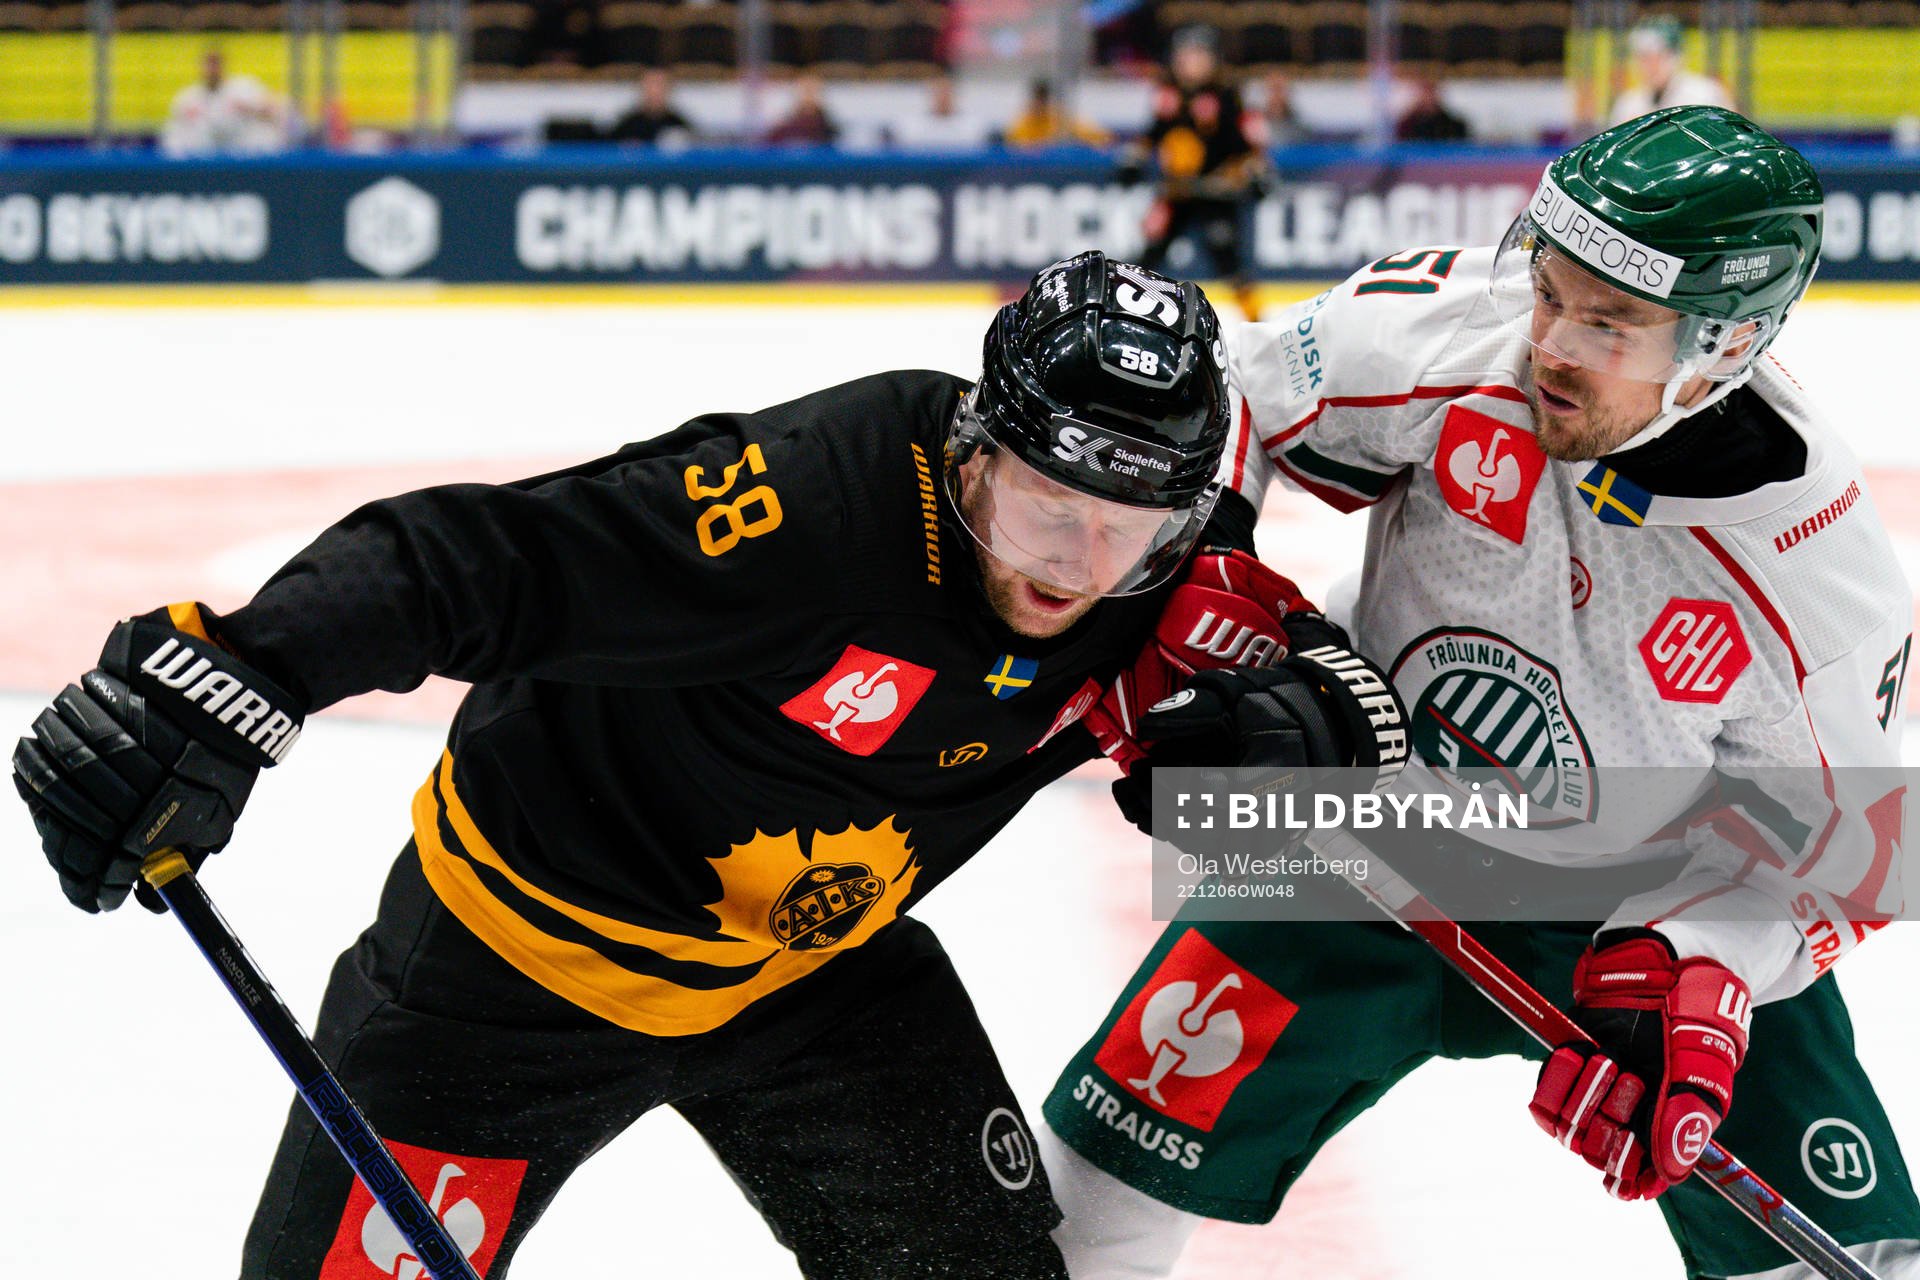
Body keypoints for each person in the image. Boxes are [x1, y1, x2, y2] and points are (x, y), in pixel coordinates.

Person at [10, 253, 1398, 1277]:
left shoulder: (1154, 583)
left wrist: (1317, 742)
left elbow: (1314, 718)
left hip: (809, 986)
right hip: (506, 987)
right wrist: (230, 672)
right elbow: (479, 565)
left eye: (1129, 535)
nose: (1077, 572)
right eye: (1047, 513)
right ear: (980, 452)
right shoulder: (812, 506)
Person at [1040, 107, 1920, 1279]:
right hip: (1360, 820)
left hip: (1643, 890)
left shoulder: (1823, 589)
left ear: (1726, 341)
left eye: (1612, 324)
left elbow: (1858, 858)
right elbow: (1235, 391)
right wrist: (1206, 572)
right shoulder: (1460, 331)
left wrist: (1707, 962)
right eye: (1552, 288)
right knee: (1079, 1208)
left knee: (1851, 1257)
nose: (1549, 343)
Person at [1126, 27, 1268, 321]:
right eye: (1185, 56)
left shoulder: (1227, 96)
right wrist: (1133, 160)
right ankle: (1124, 317)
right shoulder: (1167, 96)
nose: (1190, 63)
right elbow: (1151, 135)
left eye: (1197, 56)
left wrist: (1257, 172)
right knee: (1146, 260)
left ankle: (1259, 324)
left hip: (1214, 192)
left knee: (1230, 263)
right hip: (1176, 193)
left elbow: (1247, 144)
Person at [160, 50, 287, 157]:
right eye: (208, 64)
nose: (212, 70)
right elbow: (172, 133)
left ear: (223, 66)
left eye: (216, 64)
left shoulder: (245, 88)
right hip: (205, 159)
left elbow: (276, 111)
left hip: (246, 156)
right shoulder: (187, 98)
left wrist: (252, 109)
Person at [1611, 15, 1733, 126]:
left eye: (1660, 56)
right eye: (1644, 57)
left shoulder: (1704, 94)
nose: (1652, 65)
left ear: (1676, 56)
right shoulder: (1628, 103)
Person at [887, 73, 991, 151]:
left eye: (946, 93)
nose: (942, 98)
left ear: (954, 95)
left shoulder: (973, 126)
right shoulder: (911, 125)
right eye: (938, 93)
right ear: (931, 95)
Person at [1003, 80, 1112, 149]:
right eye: (1038, 100)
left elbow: (1100, 138)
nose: (1040, 105)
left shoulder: (1060, 118)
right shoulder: (1022, 122)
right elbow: (1015, 146)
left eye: (1043, 101)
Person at [607, 69, 695, 147]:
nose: (655, 91)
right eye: (650, 85)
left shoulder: (679, 126)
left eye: (660, 85)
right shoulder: (626, 127)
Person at [763, 73, 839, 147]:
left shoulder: (828, 127)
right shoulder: (785, 126)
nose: (808, 95)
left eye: (812, 90)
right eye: (805, 90)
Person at [1395, 74, 1471, 141]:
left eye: (1430, 92)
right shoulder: (1406, 126)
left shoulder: (1454, 126)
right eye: (1424, 93)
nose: (1428, 98)